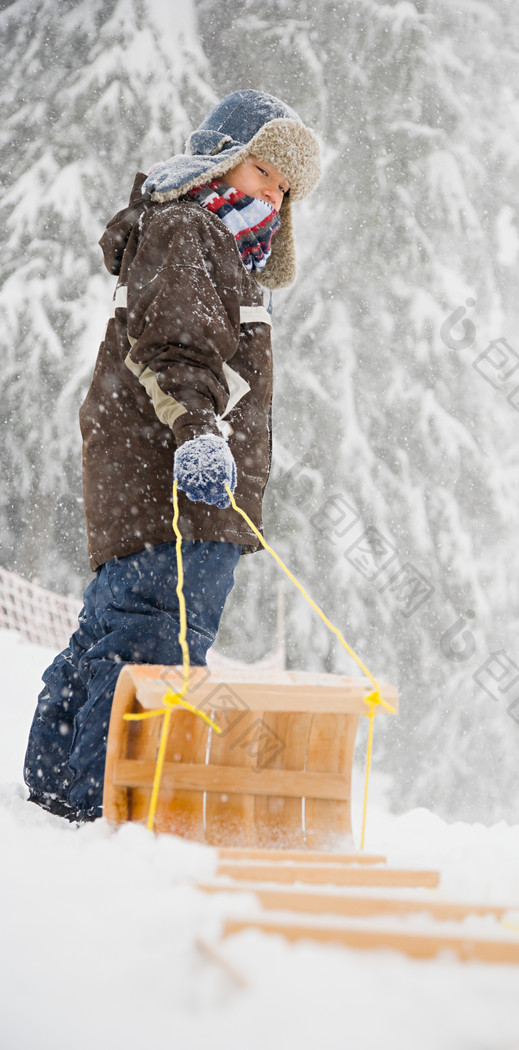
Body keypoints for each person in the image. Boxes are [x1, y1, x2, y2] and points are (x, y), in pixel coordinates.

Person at [23, 89, 322, 823]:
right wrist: (198, 434)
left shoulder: (209, 241)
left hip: (162, 488)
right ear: (222, 159)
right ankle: (112, 812)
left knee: (117, 633)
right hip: (176, 483)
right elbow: (177, 345)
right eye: (266, 172)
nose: (276, 194)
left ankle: (58, 792)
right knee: (154, 650)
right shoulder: (193, 226)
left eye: (286, 187)